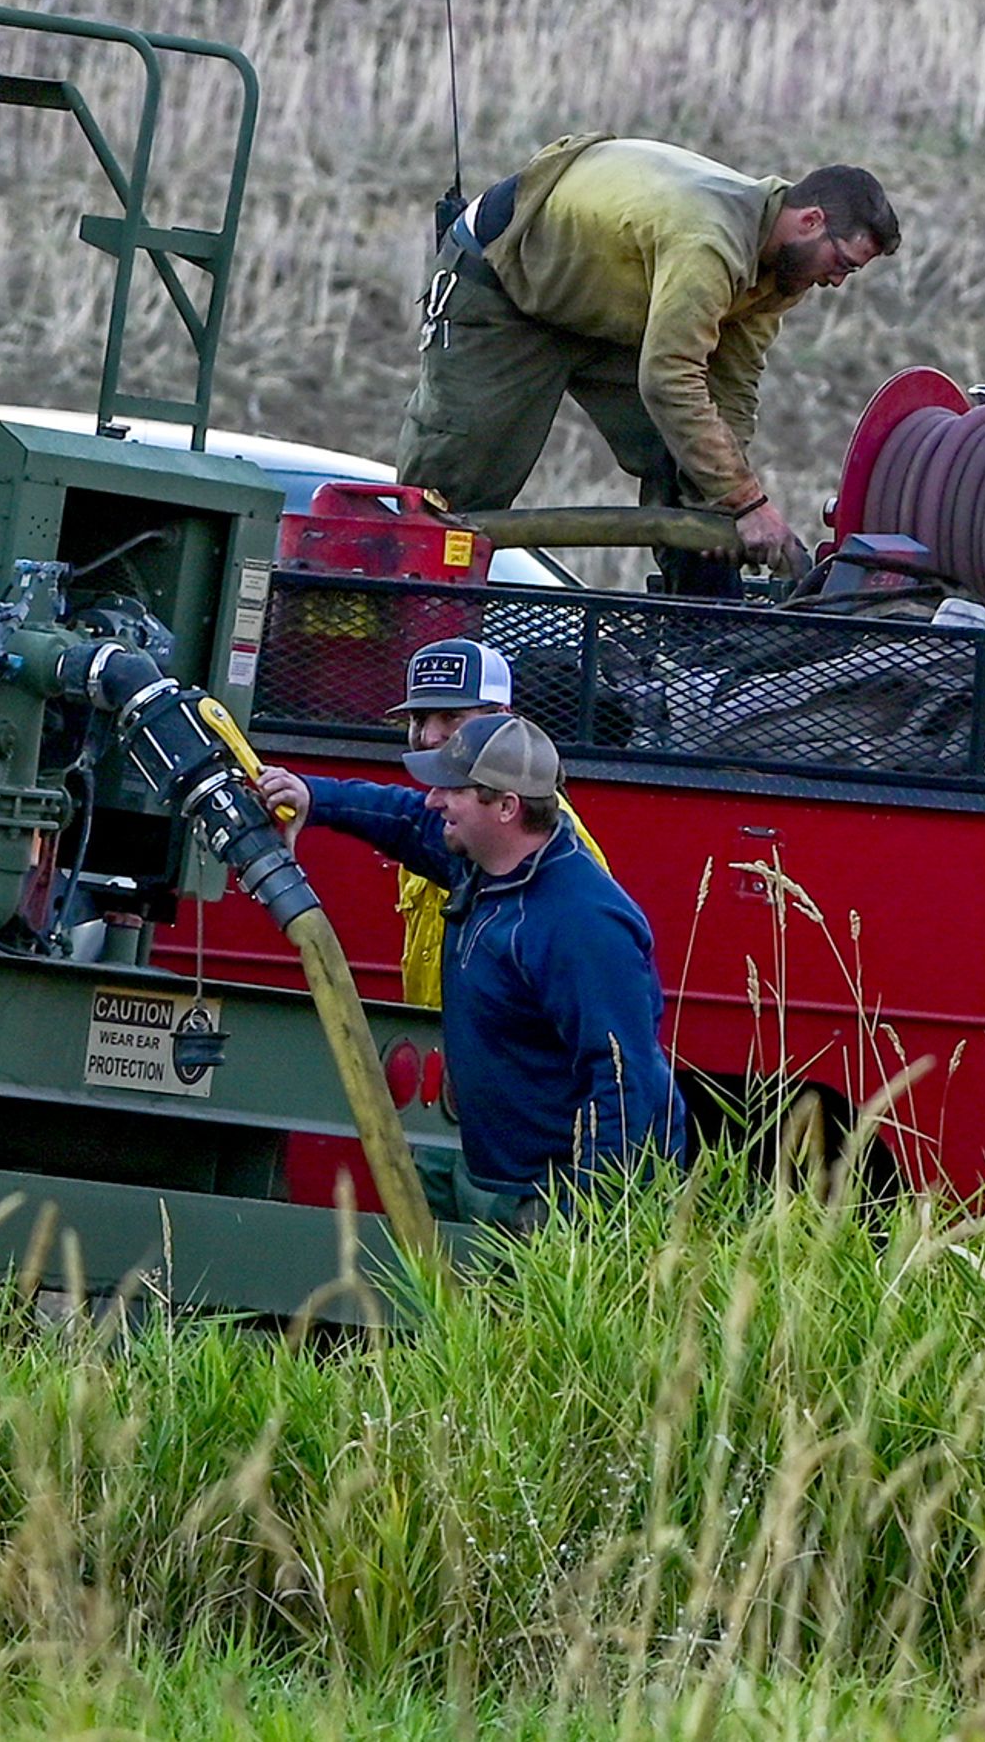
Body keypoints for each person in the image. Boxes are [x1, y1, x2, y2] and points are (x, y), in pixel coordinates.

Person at [404, 136, 899, 588]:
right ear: (811, 221)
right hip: (504, 280)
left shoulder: (783, 267)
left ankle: (703, 642)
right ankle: (413, 627)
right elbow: (670, 379)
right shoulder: (711, 240)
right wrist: (748, 502)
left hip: (608, 298)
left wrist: (724, 502)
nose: (837, 282)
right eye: (842, 264)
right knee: (454, 488)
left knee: (690, 464)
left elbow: (732, 386)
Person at [252, 711, 684, 1221]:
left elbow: (625, 1080)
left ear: (506, 806)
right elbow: (407, 818)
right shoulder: (482, 861)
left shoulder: (582, 923)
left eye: (451, 790)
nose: (434, 800)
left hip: (547, 1196)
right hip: (501, 1176)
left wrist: (582, 1222)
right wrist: (315, 796)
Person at [357, 639, 607, 1009]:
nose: (428, 737)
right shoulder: (443, 818)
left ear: (502, 720)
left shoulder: (553, 836)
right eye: (418, 719)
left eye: (451, 718)